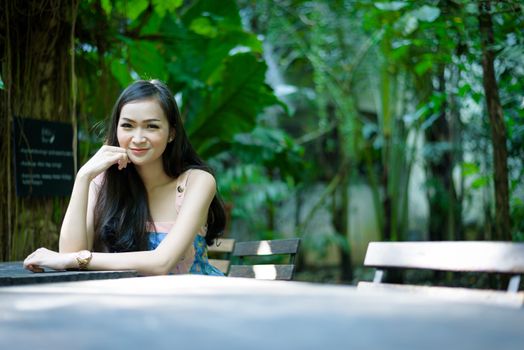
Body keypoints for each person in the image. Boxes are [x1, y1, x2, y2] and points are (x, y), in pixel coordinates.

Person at [24, 80, 226, 276]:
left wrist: (78, 259)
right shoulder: (103, 182)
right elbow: (69, 254)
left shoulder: (197, 181)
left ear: (171, 133)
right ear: (117, 129)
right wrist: (83, 177)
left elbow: (162, 262)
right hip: (127, 303)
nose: (138, 138)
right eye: (128, 126)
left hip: (194, 302)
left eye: (152, 126)